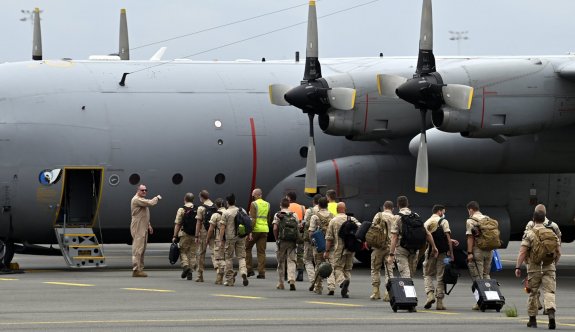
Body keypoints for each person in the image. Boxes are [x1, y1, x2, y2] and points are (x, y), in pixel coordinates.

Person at [515, 210, 561, 329]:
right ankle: (551, 315)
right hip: (549, 267)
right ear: (544, 218)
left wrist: (518, 267)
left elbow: (522, 252)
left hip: (534, 268)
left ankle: (533, 320)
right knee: (549, 292)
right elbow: (559, 252)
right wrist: (553, 264)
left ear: (533, 220)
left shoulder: (529, 233)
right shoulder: (552, 233)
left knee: (533, 292)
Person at [524, 204, 562, 314]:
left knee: (533, 289)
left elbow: (525, 243)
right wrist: (555, 261)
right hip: (549, 262)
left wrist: (526, 261)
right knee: (549, 289)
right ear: (545, 214)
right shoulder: (553, 225)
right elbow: (558, 242)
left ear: (534, 215)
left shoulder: (530, 225)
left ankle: (533, 315)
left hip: (534, 262)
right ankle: (549, 308)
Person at [387, 196, 438, 278]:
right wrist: (434, 247)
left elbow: (394, 237)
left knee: (406, 276)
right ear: (408, 204)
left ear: (397, 205)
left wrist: (391, 254)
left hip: (402, 250)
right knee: (410, 276)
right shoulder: (416, 216)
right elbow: (427, 233)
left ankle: (407, 290)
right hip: (415, 250)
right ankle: (408, 289)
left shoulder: (397, 217)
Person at [324, 202, 360, 298]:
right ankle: (346, 290)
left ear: (336, 210)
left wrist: (327, 251)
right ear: (345, 209)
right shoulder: (352, 219)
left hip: (339, 249)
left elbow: (329, 238)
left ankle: (342, 282)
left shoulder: (333, 221)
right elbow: (360, 230)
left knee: (337, 268)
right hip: (351, 248)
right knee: (347, 269)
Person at [422, 204, 454, 310]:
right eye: (443, 212)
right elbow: (448, 238)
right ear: (439, 212)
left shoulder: (427, 222)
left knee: (427, 274)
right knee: (441, 276)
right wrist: (451, 252)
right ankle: (439, 302)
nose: (443, 214)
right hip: (443, 253)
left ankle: (430, 294)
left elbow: (425, 238)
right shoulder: (443, 221)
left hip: (431, 251)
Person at [130, 184, 161, 277]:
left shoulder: (141, 200)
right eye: (142, 190)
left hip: (143, 226)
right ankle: (136, 270)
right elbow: (150, 203)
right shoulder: (136, 199)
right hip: (138, 226)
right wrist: (157, 198)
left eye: (145, 190)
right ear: (138, 190)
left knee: (142, 249)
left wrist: (149, 225)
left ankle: (140, 269)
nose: (144, 192)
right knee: (138, 248)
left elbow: (143, 214)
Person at [219, 194, 250, 287]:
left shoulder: (226, 213)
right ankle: (243, 271)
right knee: (241, 257)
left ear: (227, 202)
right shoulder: (241, 210)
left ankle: (229, 280)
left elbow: (222, 227)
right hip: (241, 236)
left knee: (228, 258)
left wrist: (221, 239)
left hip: (230, 237)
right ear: (235, 201)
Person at [308, 197, 335, 295]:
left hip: (319, 245)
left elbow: (311, 232)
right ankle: (331, 286)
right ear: (327, 205)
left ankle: (318, 287)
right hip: (330, 244)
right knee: (330, 265)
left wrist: (312, 242)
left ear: (318, 205)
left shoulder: (315, 216)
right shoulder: (332, 216)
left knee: (318, 266)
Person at [369, 201, 394, 301]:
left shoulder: (378, 215)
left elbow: (372, 229)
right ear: (392, 209)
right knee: (389, 271)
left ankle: (375, 292)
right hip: (390, 247)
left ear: (384, 207)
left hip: (378, 247)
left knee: (375, 269)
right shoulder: (395, 218)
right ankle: (388, 293)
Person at [273, 198, 299, 291]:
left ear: (281, 205)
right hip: (292, 241)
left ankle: (281, 283)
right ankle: (291, 279)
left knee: (281, 262)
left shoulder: (278, 215)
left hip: (282, 241)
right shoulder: (294, 215)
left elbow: (275, 228)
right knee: (291, 260)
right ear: (289, 205)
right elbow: (298, 227)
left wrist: (276, 239)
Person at [245, 188, 270, 279]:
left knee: (247, 248)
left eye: (253, 195)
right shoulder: (267, 204)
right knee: (261, 252)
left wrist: (250, 231)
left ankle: (249, 270)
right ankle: (261, 272)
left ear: (256, 195)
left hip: (255, 229)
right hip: (264, 230)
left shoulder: (253, 204)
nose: (252, 196)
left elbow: (253, 219)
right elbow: (268, 218)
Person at [171, 192, 196, 280]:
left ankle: (185, 266)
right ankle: (190, 273)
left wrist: (174, 235)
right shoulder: (198, 209)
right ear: (193, 200)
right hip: (195, 235)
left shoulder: (182, 209)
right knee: (192, 254)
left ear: (185, 199)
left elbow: (177, 224)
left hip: (184, 234)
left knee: (183, 251)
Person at [194, 190, 215, 282]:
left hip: (203, 232)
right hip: (213, 231)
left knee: (201, 253)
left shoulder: (201, 208)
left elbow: (198, 223)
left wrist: (196, 235)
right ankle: (219, 272)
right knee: (215, 253)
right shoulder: (214, 206)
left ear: (201, 197)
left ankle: (199, 276)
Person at [286, 191, 306, 282]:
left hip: (289, 232)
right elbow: (304, 220)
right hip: (300, 233)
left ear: (289, 198)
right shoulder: (302, 208)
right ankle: (300, 272)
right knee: (300, 254)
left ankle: (288, 274)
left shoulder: (286, 208)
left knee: (289, 253)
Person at [302, 194, 321, 285]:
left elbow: (305, 223)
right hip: (321, 239)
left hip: (310, 238)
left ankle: (313, 280)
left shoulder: (310, 210)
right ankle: (321, 281)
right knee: (318, 261)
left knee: (307, 259)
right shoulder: (325, 211)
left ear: (313, 201)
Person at [206, 198, 226, 285]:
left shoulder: (215, 215)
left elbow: (211, 229)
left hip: (219, 238)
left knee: (217, 257)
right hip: (230, 238)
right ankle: (220, 279)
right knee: (226, 257)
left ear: (216, 205)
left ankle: (226, 271)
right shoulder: (230, 212)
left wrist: (207, 238)